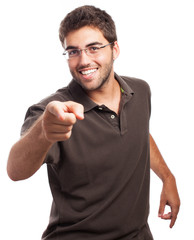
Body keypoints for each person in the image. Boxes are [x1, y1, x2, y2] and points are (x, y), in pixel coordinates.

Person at [7, 5, 180, 240]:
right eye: (73, 52)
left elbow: (139, 135)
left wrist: (168, 178)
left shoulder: (140, 91)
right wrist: (44, 132)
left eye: (94, 48)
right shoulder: (54, 113)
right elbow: (15, 171)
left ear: (115, 49)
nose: (83, 61)